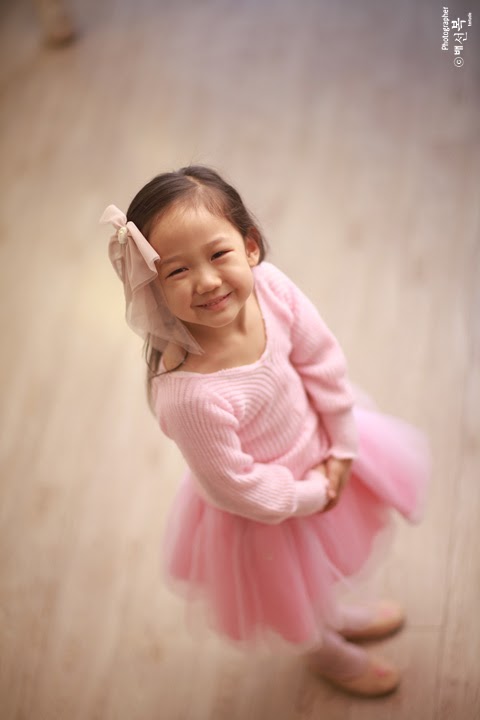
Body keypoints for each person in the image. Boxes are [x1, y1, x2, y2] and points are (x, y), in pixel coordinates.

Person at [100, 165, 429, 697]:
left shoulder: (271, 290)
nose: (207, 281)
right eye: (177, 271)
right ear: (153, 289)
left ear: (250, 246)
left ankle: (334, 613)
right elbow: (237, 486)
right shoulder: (191, 395)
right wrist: (312, 494)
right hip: (269, 510)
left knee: (321, 567)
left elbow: (323, 363)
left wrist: (343, 447)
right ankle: (325, 652)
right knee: (291, 591)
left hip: (321, 453)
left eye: (219, 254)